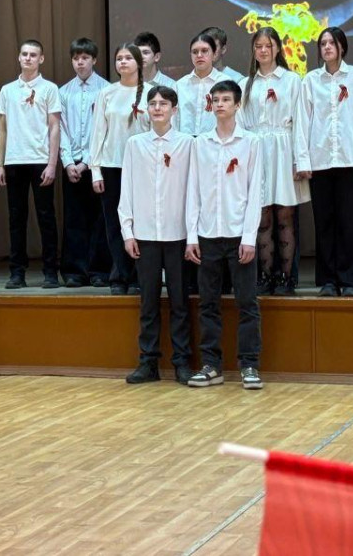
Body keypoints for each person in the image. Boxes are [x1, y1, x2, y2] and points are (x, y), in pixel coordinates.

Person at [185, 80, 264, 390]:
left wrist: (249, 237)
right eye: (215, 99)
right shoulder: (200, 143)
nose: (219, 104)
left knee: (246, 302)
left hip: (238, 234)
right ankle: (211, 365)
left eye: (226, 99)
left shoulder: (251, 142)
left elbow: (255, 192)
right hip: (208, 234)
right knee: (208, 303)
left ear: (237, 105)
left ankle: (249, 365)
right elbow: (193, 190)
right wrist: (192, 235)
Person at [119, 86, 194, 385]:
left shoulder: (187, 144)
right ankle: (148, 362)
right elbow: (126, 189)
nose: (158, 108)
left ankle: (182, 362)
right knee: (148, 301)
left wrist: (193, 235)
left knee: (180, 301)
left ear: (175, 110)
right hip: (146, 233)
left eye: (164, 103)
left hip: (178, 234)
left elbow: (194, 191)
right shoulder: (135, 144)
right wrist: (128, 231)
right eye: (153, 104)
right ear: (146, 110)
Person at [296, 27, 353, 297]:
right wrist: (303, 160)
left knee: (350, 222)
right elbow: (303, 121)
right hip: (320, 161)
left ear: (342, 47)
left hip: (350, 160)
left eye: (332, 42)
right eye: (323, 43)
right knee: (325, 223)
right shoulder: (310, 80)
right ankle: (328, 280)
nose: (327, 47)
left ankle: (351, 281)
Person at [238, 28, 310, 296]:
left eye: (268, 45)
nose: (263, 50)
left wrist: (300, 160)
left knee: (285, 216)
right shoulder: (247, 83)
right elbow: (241, 124)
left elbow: (300, 122)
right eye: (258, 46)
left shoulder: (291, 80)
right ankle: (265, 274)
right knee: (262, 216)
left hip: (283, 150)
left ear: (277, 48)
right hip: (258, 151)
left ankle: (286, 277)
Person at [0, 40, 62, 289]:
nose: (28, 58)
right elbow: (2, 128)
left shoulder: (49, 89)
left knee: (46, 217)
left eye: (33, 55)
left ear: (41, 59)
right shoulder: (7, 90)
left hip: (40, 160)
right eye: (24, 54)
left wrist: (52, 163)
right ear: (19, 57)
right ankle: (17, 273)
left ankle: (51, 272)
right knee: (16, 218)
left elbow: (54, 127)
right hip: (14, 160)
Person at [90, 43, 152, 295]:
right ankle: (119, 275)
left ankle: (138, 276)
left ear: (139, 62)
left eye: (128, 58)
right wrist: (95, 170)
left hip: (143, 168)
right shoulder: (107, 93)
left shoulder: (151, 92)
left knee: (140, 222)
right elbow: (97, 134)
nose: (123, 62)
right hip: (111, 165)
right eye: (119, 58)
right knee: (114, 223)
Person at [58, 38, 111, 288]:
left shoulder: (106, 90)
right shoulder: (63, 92)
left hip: (97, 162)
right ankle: (74, 271)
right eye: (76, 58)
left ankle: (99, 270)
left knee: (99, 219)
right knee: (74, 218)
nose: (80, 62)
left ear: (94, 60)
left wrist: (88, 163)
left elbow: (105, 131)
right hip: (72, 163)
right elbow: (61, 129)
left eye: (85, 58)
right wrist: (69, 162)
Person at [175, 33, 229, 137]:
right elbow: (174, 119)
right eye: (195, 52)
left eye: (204, 51)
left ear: (214, 54)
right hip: (186, 141)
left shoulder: (226, 83)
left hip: (215, 141)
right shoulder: (180, 85)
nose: (199, 55)